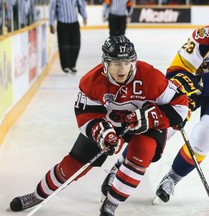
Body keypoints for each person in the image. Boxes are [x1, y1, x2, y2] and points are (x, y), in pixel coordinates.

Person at [9, 35, 188, 216]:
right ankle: (38, 195)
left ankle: (111, 203)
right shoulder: (91, 81)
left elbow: (181, 106)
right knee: (74, 165)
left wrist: (154, 118)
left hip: (145, 125)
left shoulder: (150, 76)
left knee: (141, 154)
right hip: (110, 123)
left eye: (127, 62)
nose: (123, 68)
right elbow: (86, 115)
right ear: (105, 63)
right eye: (116, 63)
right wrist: (100, 132)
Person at [100, 2, 209, 205]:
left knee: (207, 134)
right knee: (163, 125)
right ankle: (120, 166)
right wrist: (178, 86)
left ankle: (172, 179)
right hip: (193, 87)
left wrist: (191, 81)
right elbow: (177, 69)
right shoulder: (202, 36)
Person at [49, 0, 87, 73]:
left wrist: (84, 16)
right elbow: (52, 8)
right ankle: (65, 66)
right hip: (62, 23)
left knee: (76, 45)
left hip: (74, 23)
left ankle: (72, 65)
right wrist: (51, 23)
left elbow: (80, 5)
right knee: (64, 46)